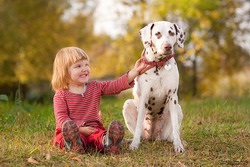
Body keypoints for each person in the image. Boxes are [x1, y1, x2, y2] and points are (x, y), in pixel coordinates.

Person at [51, 46, 147, 155]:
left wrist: (135, 71)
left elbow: (115, 85)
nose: (84, 69)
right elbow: (61, 118)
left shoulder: (95, 87)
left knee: (99, 136)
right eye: (78, 66)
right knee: (64, 137)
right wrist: (79, 129)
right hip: (72, 131)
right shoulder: (61, 95)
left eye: (86, 64)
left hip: (93, 129)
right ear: (64, 72)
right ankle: (74, 144)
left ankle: (110, 143)